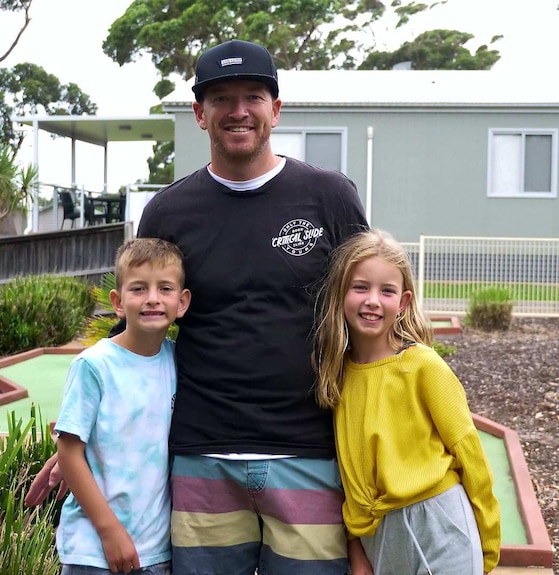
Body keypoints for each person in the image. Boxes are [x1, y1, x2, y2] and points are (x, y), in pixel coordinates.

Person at [27, 39, 369, 574]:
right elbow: (138, 333)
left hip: (308, 449)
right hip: (201, 456)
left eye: (253, 96)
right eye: (221, 98)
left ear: (275, 109)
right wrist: (93, 439)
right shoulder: (169, 210)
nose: (238, 111)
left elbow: (368, 314)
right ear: (198, 114)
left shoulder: (329, 197)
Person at [312, 229, 501, 575]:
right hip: (378, 534)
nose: (373, 300)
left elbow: (469, 453)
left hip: (441, 523)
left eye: (387, 291)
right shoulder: (337, 373)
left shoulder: (423, 366)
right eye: (360, 287)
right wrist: (357, 550)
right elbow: (350, 477)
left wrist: (487, 544)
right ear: (341, 293)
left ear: (403, 302)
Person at [54, 238, 191, 575]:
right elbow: (69, 453)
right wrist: (109, 530)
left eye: (165, 288)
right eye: (139, 289)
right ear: (117, 302)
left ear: (182, 302)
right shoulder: (95, 366)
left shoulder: (179, 361)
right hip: (94, 549)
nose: (153, 299)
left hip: (155, 549)